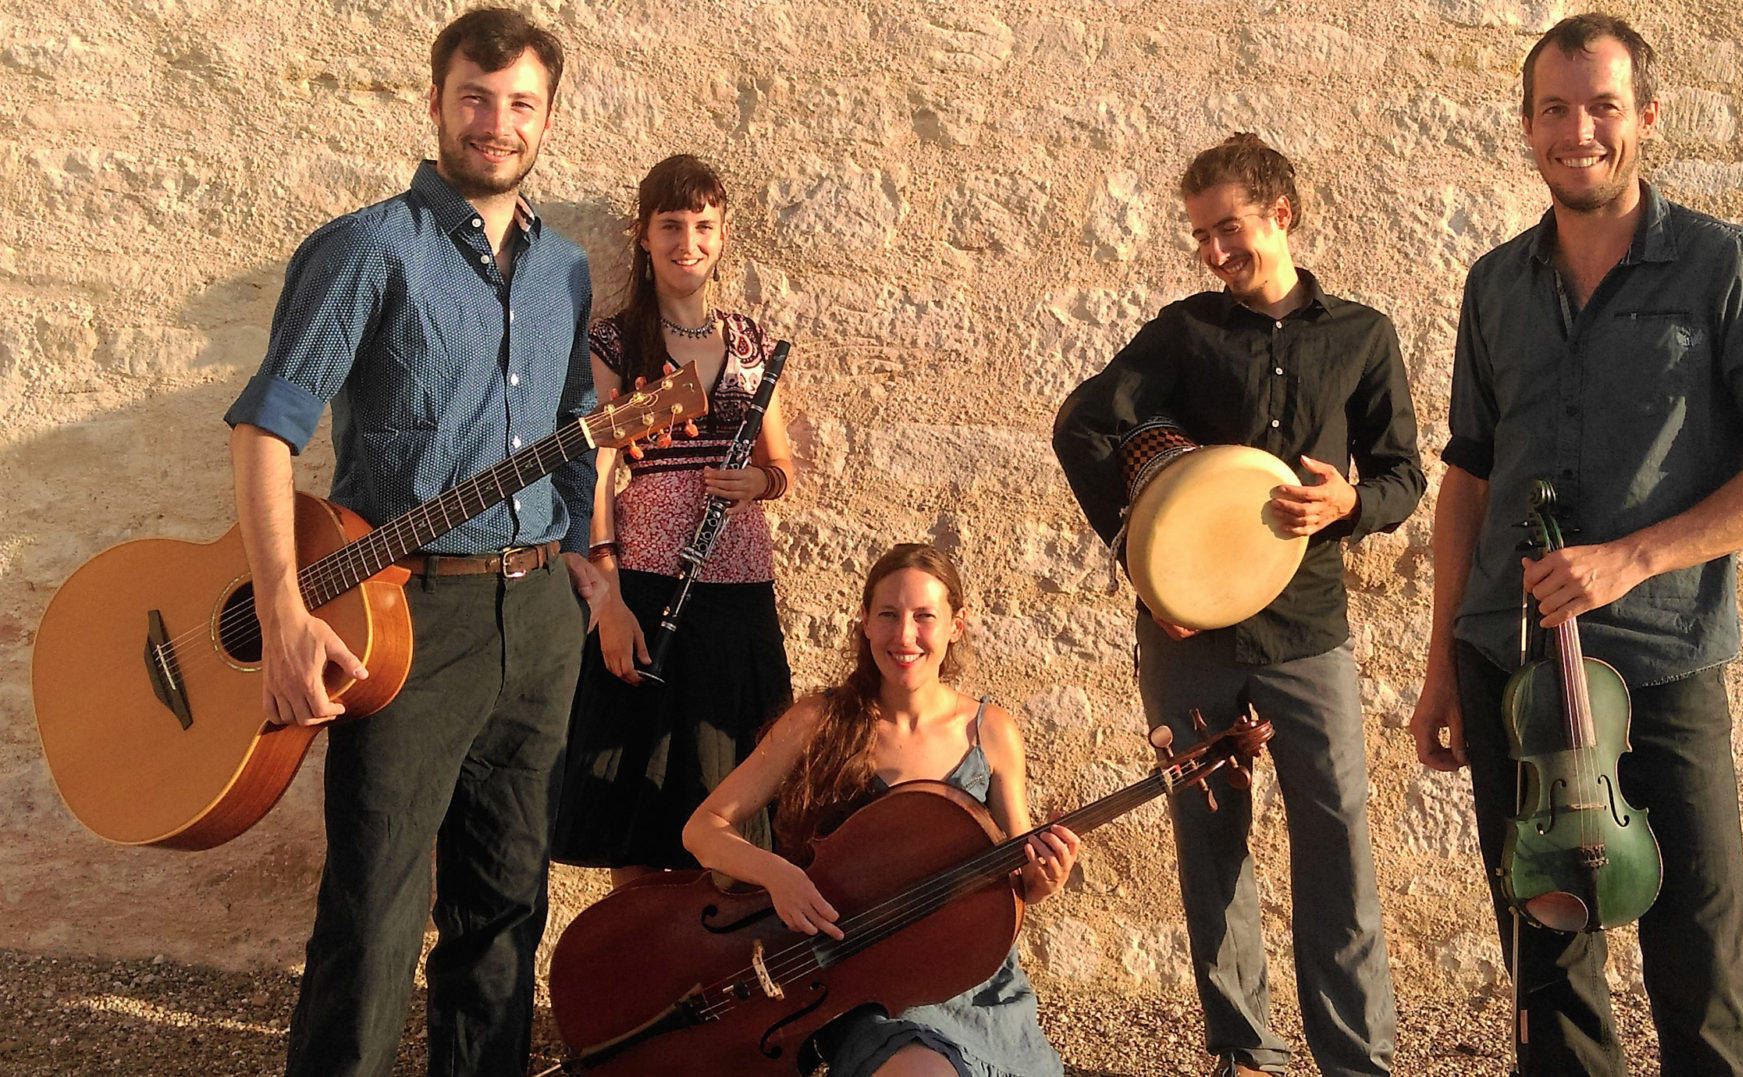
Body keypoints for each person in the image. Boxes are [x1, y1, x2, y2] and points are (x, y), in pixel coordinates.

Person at [1409, 14, 1743, 1076]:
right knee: (1548, 972)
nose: (1578, 130)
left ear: (1645, 117)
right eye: (1555, 108)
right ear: (1527, 127)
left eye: (1602, 106)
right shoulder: (1493, 284)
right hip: (1510, 668)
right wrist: (1437, 670)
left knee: (1701, 962)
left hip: (1662, 662)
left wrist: (1631, 558)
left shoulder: (1726, 267)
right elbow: (1466, 477)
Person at [223, 9, 605, 1076]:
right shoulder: (365, 249)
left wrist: (582, 559)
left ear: (546, 118)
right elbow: (265, 431)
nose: (496, 123)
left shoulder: (565, 269)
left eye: (520, 104)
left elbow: (576, 427)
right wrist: (287, 613)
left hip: (537, 621)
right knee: (377, 909)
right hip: (404, 617)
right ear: (435, 101)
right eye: (475, 99)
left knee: (505, 908)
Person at [1053, 134, 1421, 1077]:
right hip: (1190, 636)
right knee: (1211, 847)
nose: (1214, 252)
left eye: (1229, 229)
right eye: (1200, 236)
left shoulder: (1363, 335)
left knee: (1335, 845)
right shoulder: (1184, 332)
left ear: (1281, 213)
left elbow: (1403, 475)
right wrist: (1141, 564)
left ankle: (1357, 1059)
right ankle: (1242, 1055)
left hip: (1308, 632)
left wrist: (1350, 505)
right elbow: (1083, 422)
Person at [683, 542, 1079, 1077]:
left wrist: (1041, 883)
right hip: (864, 986)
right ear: (865, 622)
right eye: (888, 615)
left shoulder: (992, 732)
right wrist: (780, 876)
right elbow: (703, 829)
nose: (904, 636)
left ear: (956, 626)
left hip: (975, 984)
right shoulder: (819, 721)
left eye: (924, 617)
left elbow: (1013, 886)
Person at [551, 154, 795, 887]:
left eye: (703, 225)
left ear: (722, 236)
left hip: (740, 583)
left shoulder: (752, 345)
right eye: (671, 225)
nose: (687, 240)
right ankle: (638, 972)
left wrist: (757, 479)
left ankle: (716, 972)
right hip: (650, 582)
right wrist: (608, 598)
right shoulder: (618, 342)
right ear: (644, 235)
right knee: (637, 789)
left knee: (728, 779)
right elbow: (588, 468)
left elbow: (780, 469)